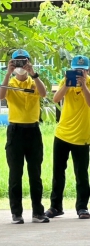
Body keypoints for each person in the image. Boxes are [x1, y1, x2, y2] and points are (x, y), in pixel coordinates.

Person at [0, 49, 49, 224]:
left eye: (23, 61)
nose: (20, 65)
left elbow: (43, 93)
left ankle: (37, 212)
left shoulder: (34, 82)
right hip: (15, 132)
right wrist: (8, 73)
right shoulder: (10, 82)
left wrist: (33, 73)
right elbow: (1, 96)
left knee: (35, 174)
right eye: (17, 62)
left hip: (33, 131)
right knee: (15, 174)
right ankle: (16, 213)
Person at [45, 55, 90, 220]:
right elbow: (56, 99)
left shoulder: (89, 83)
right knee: (58, 172)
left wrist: (84, 85)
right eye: (76, 70)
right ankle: (55, 207)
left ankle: (82, 207)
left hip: (82, 136)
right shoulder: (66, 82)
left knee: (82, 174)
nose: (79, 73)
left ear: (87, 70)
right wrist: (66, 83)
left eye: (83, 70)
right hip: (62, 134)